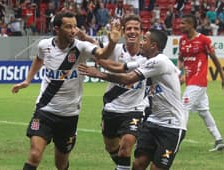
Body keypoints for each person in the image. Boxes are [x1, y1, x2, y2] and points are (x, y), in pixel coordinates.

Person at [11, 12, 121, 170]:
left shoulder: (81, 47)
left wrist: (111, 43)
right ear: (57, 29)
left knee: (61, 163)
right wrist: (28, 80)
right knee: (35, 154)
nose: (73, 30)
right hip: (44, 110)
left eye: (75, 26)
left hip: (69, 115)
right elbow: (39, 59)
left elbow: (102, 54)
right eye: (68, 26)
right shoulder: (44, 45)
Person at [79, 28, 187, 170]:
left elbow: (128, 78)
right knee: (138, 164)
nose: (140, 43)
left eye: (144, 40)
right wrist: (99, 58)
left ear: (153, 45)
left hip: (172, 125)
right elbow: (121, 67)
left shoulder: (159, 62)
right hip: (152, 121)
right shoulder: (146, 61)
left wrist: (100, 74)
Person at [84, 14, 147, 170]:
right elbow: (96, 48)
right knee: (112, 148)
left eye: (136, 29)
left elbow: (126, 74)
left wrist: (99, 71)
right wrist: (81, 35)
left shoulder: (148, 54)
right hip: (112, 107)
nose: (133, 32)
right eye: (129, 28)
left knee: (125, 148)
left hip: (135, 110)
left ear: (141, 32)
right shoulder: (115, 49)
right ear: (124, 31)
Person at [177, 14, 224, 152]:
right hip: (190, 81)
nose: (180, 26)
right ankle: (219, 140)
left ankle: (175, 140)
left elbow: (215, 59)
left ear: (191, 25)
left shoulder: (204, 40)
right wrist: (178, 72)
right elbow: (181, 58)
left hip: (198, 81)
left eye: (183, 23)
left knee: (183, 108)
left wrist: (223, 78)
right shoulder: (182, 40)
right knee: (204, 112)